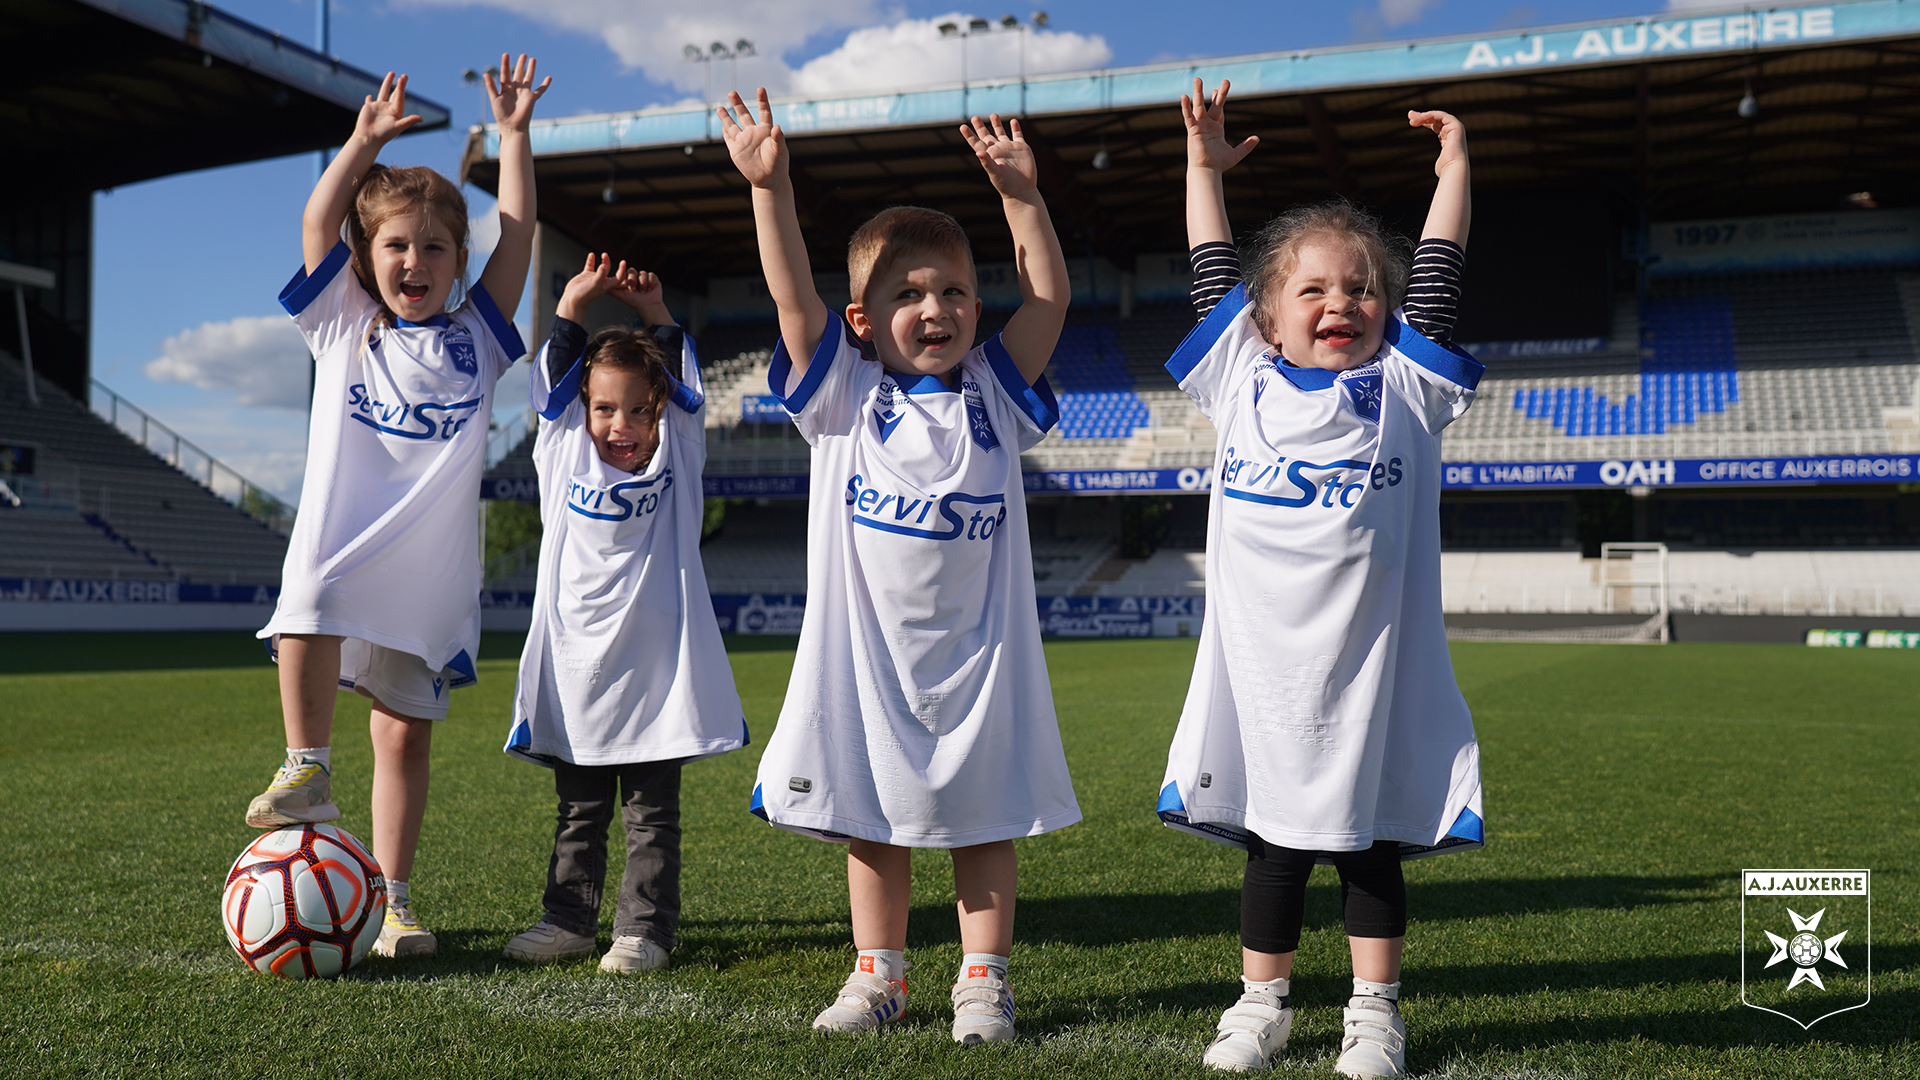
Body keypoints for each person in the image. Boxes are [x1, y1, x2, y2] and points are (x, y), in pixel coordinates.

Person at [718, 88, 1080, 1044]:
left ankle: (983, 983)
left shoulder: (996, 395)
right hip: (868, 665)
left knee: (985, 820)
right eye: (908, 294)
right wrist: (771, 189)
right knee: (870, 818)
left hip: (980, 662)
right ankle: (878, 976)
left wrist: (1021, 201)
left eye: (953, 291)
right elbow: (792, 297)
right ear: (864, 320)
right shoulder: (841, 393)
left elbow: (1049, 297)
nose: (935, 308)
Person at [1154, 80, 1484, 1078]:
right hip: (1262, 680)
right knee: (1274, 848)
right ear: (1266, 315)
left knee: (1369, 846)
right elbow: (1212, 268)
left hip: (1370, 675)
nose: (1342, 302)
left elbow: (1437, 277)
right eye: (1314, 289)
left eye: (1360, 289)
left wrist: (1456, 173)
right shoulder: (1238, 377)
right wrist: (1202, 168)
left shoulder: (1404, 390)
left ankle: (1374, 1014)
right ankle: (1263, 1004)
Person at [246, 57, 549, 960]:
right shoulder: (343, 318)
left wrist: (515, 137)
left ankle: (394, 899)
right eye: (395, 246)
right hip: (344, 542)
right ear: (366, 258)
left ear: (458, 262)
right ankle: (306, 768)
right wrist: (364, 142)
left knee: (403, 736)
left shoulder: (480, 340)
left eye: (434, 248)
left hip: (429, 572)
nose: (414, 261)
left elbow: (522, 234)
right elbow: (314, 219)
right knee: (304, 599)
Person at [498, 256, 747, 973]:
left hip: (656, 677)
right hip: (577, 675)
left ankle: (644, 932)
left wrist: (660, 316)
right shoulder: (563, 454)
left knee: (651, 816)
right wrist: (571, 305)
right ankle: (567, 919)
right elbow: (552, 379)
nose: (622, 425)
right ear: (583, 411)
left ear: (660, 412)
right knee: (578, 812)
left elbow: (685, 381)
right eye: (605, 409)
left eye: (639, 409)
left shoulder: (678, 461)